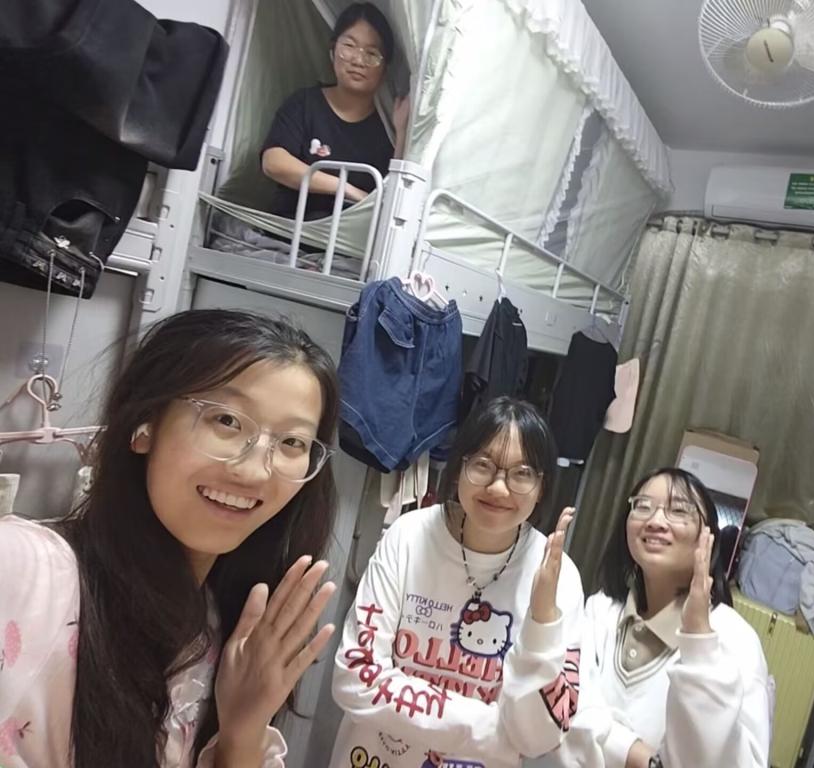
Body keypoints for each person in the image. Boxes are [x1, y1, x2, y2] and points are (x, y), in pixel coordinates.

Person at [0, 310, 342, 767]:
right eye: (227, 420)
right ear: (146, 423)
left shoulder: (224, 633)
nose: (255, 471)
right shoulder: (28, 571)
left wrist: (243, 732)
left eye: (292, 443)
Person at [330, 397, 585, 768]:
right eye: (483, 465)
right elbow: (355, 678)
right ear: (458, 468)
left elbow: (539, 737)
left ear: (542, 486)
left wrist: (542, 620)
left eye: (521, 474)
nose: (499, 488)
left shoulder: (558, 575)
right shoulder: (409, 535)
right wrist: (494, 734)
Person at [540, 467, 771, 768]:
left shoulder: (734, 638)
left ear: (708, 537)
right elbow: (562, 709)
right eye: (643, 506)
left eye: (679, 511)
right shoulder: (601, 610)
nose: (656, 521)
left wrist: (699, 642)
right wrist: (640, 757)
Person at [261, 3, 408, 220]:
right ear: (333, 51)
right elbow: (273, 162)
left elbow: (394, 195)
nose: (358, 60)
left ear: (385, 69)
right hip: (290, 232)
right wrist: (344, 188)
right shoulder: (304, 104)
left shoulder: (386, 127)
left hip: (350, 239)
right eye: (349, 46)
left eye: (372, 53)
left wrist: (402, 133)